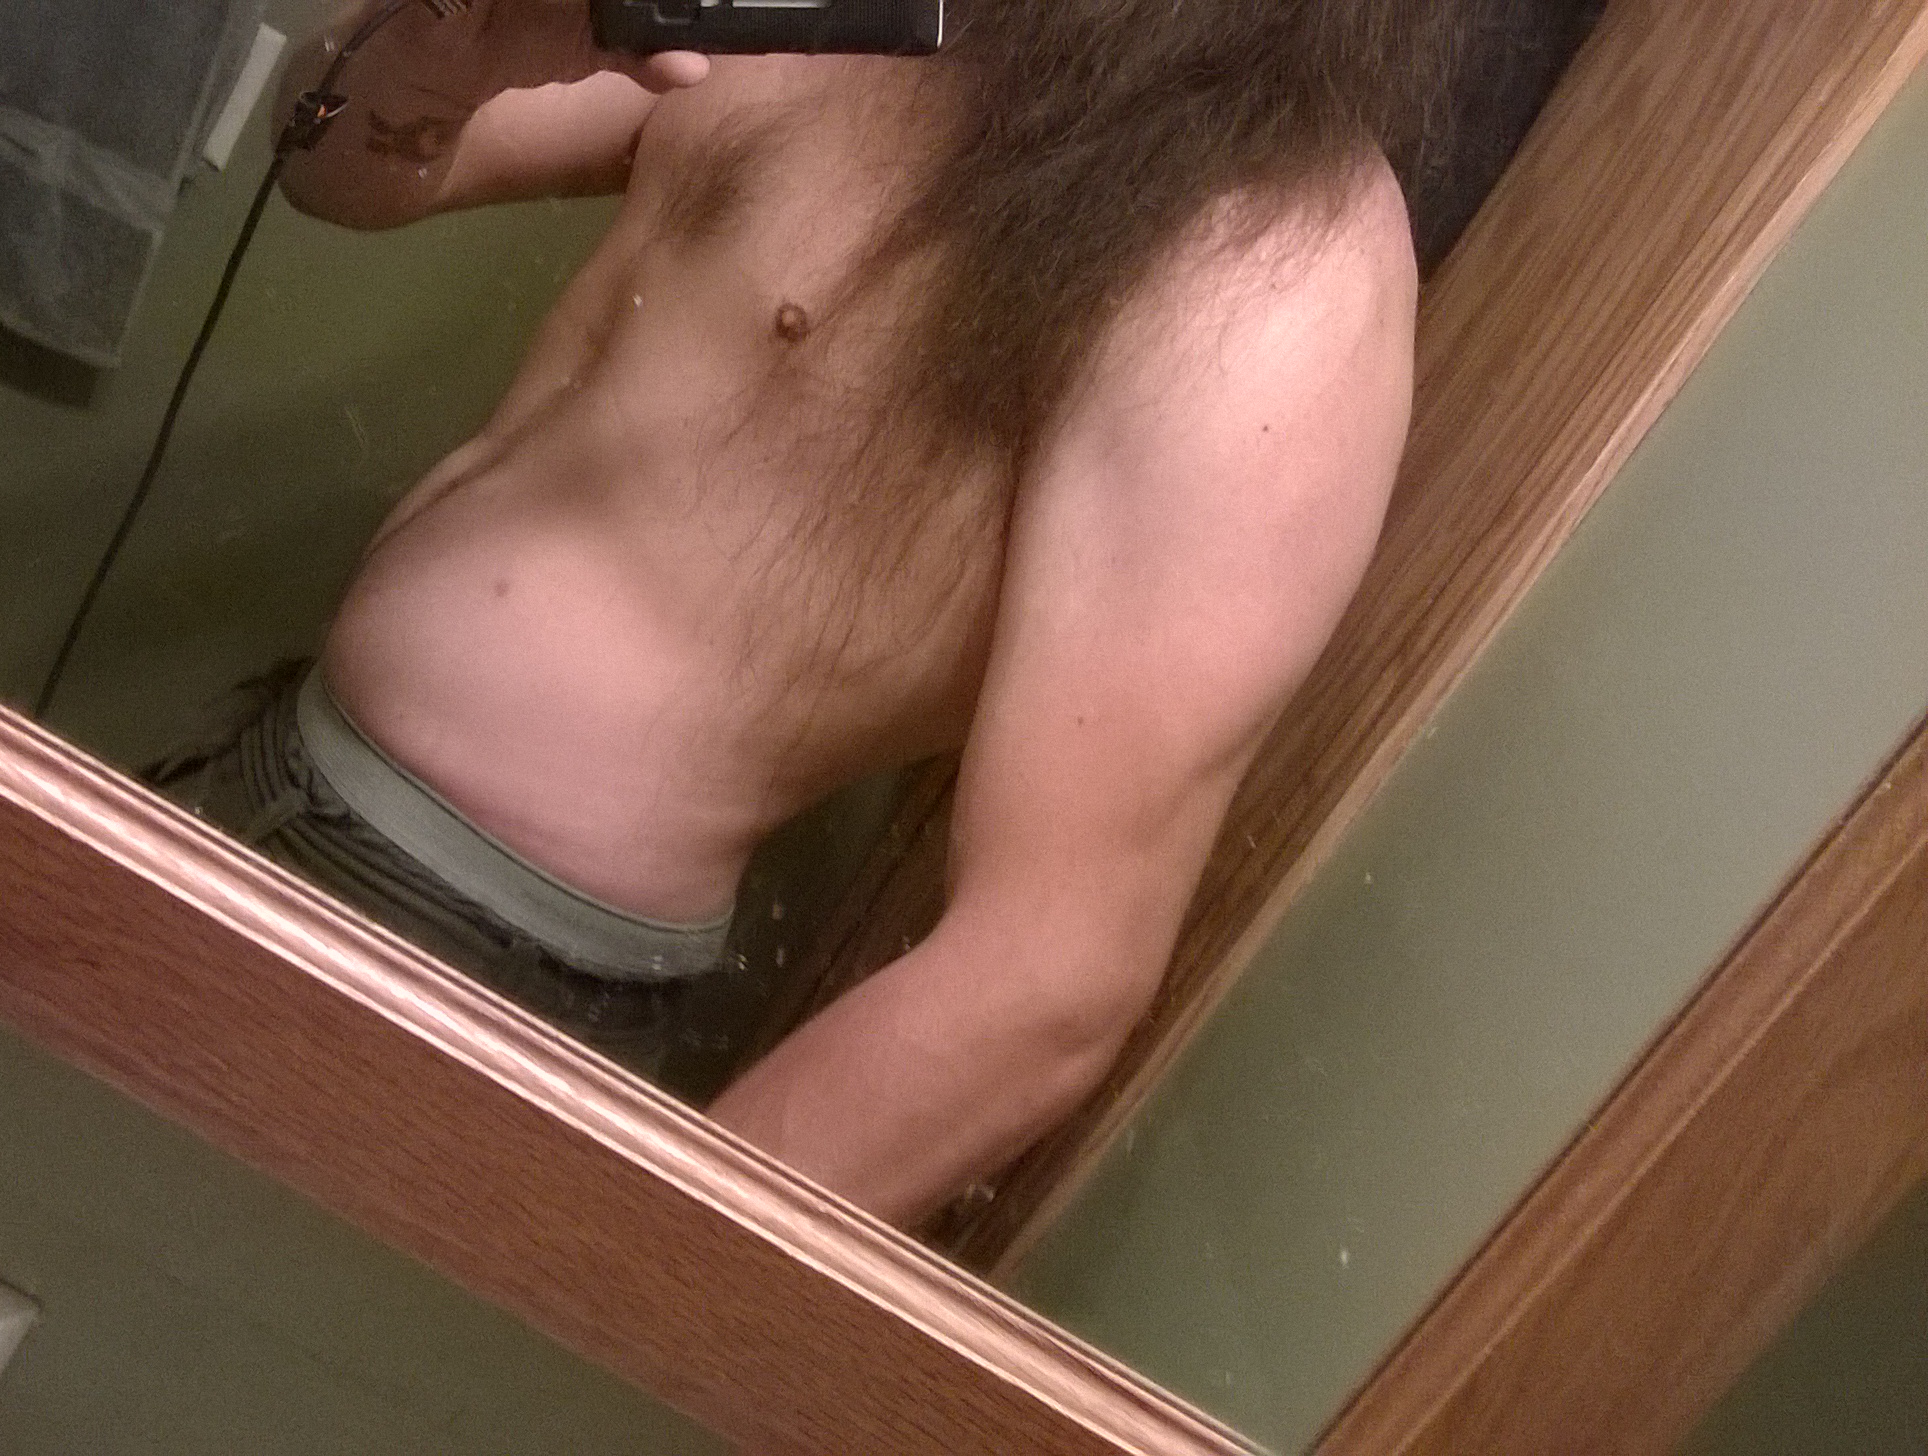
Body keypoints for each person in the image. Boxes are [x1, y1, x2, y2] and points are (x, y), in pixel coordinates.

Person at [154, 0, 1459, 1228]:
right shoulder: (863, 13)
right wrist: (439, 53)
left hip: (472, 950)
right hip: (278, 759)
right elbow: (331, 173)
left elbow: (1054, 975)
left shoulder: (1278, 260)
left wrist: (601, 1283)